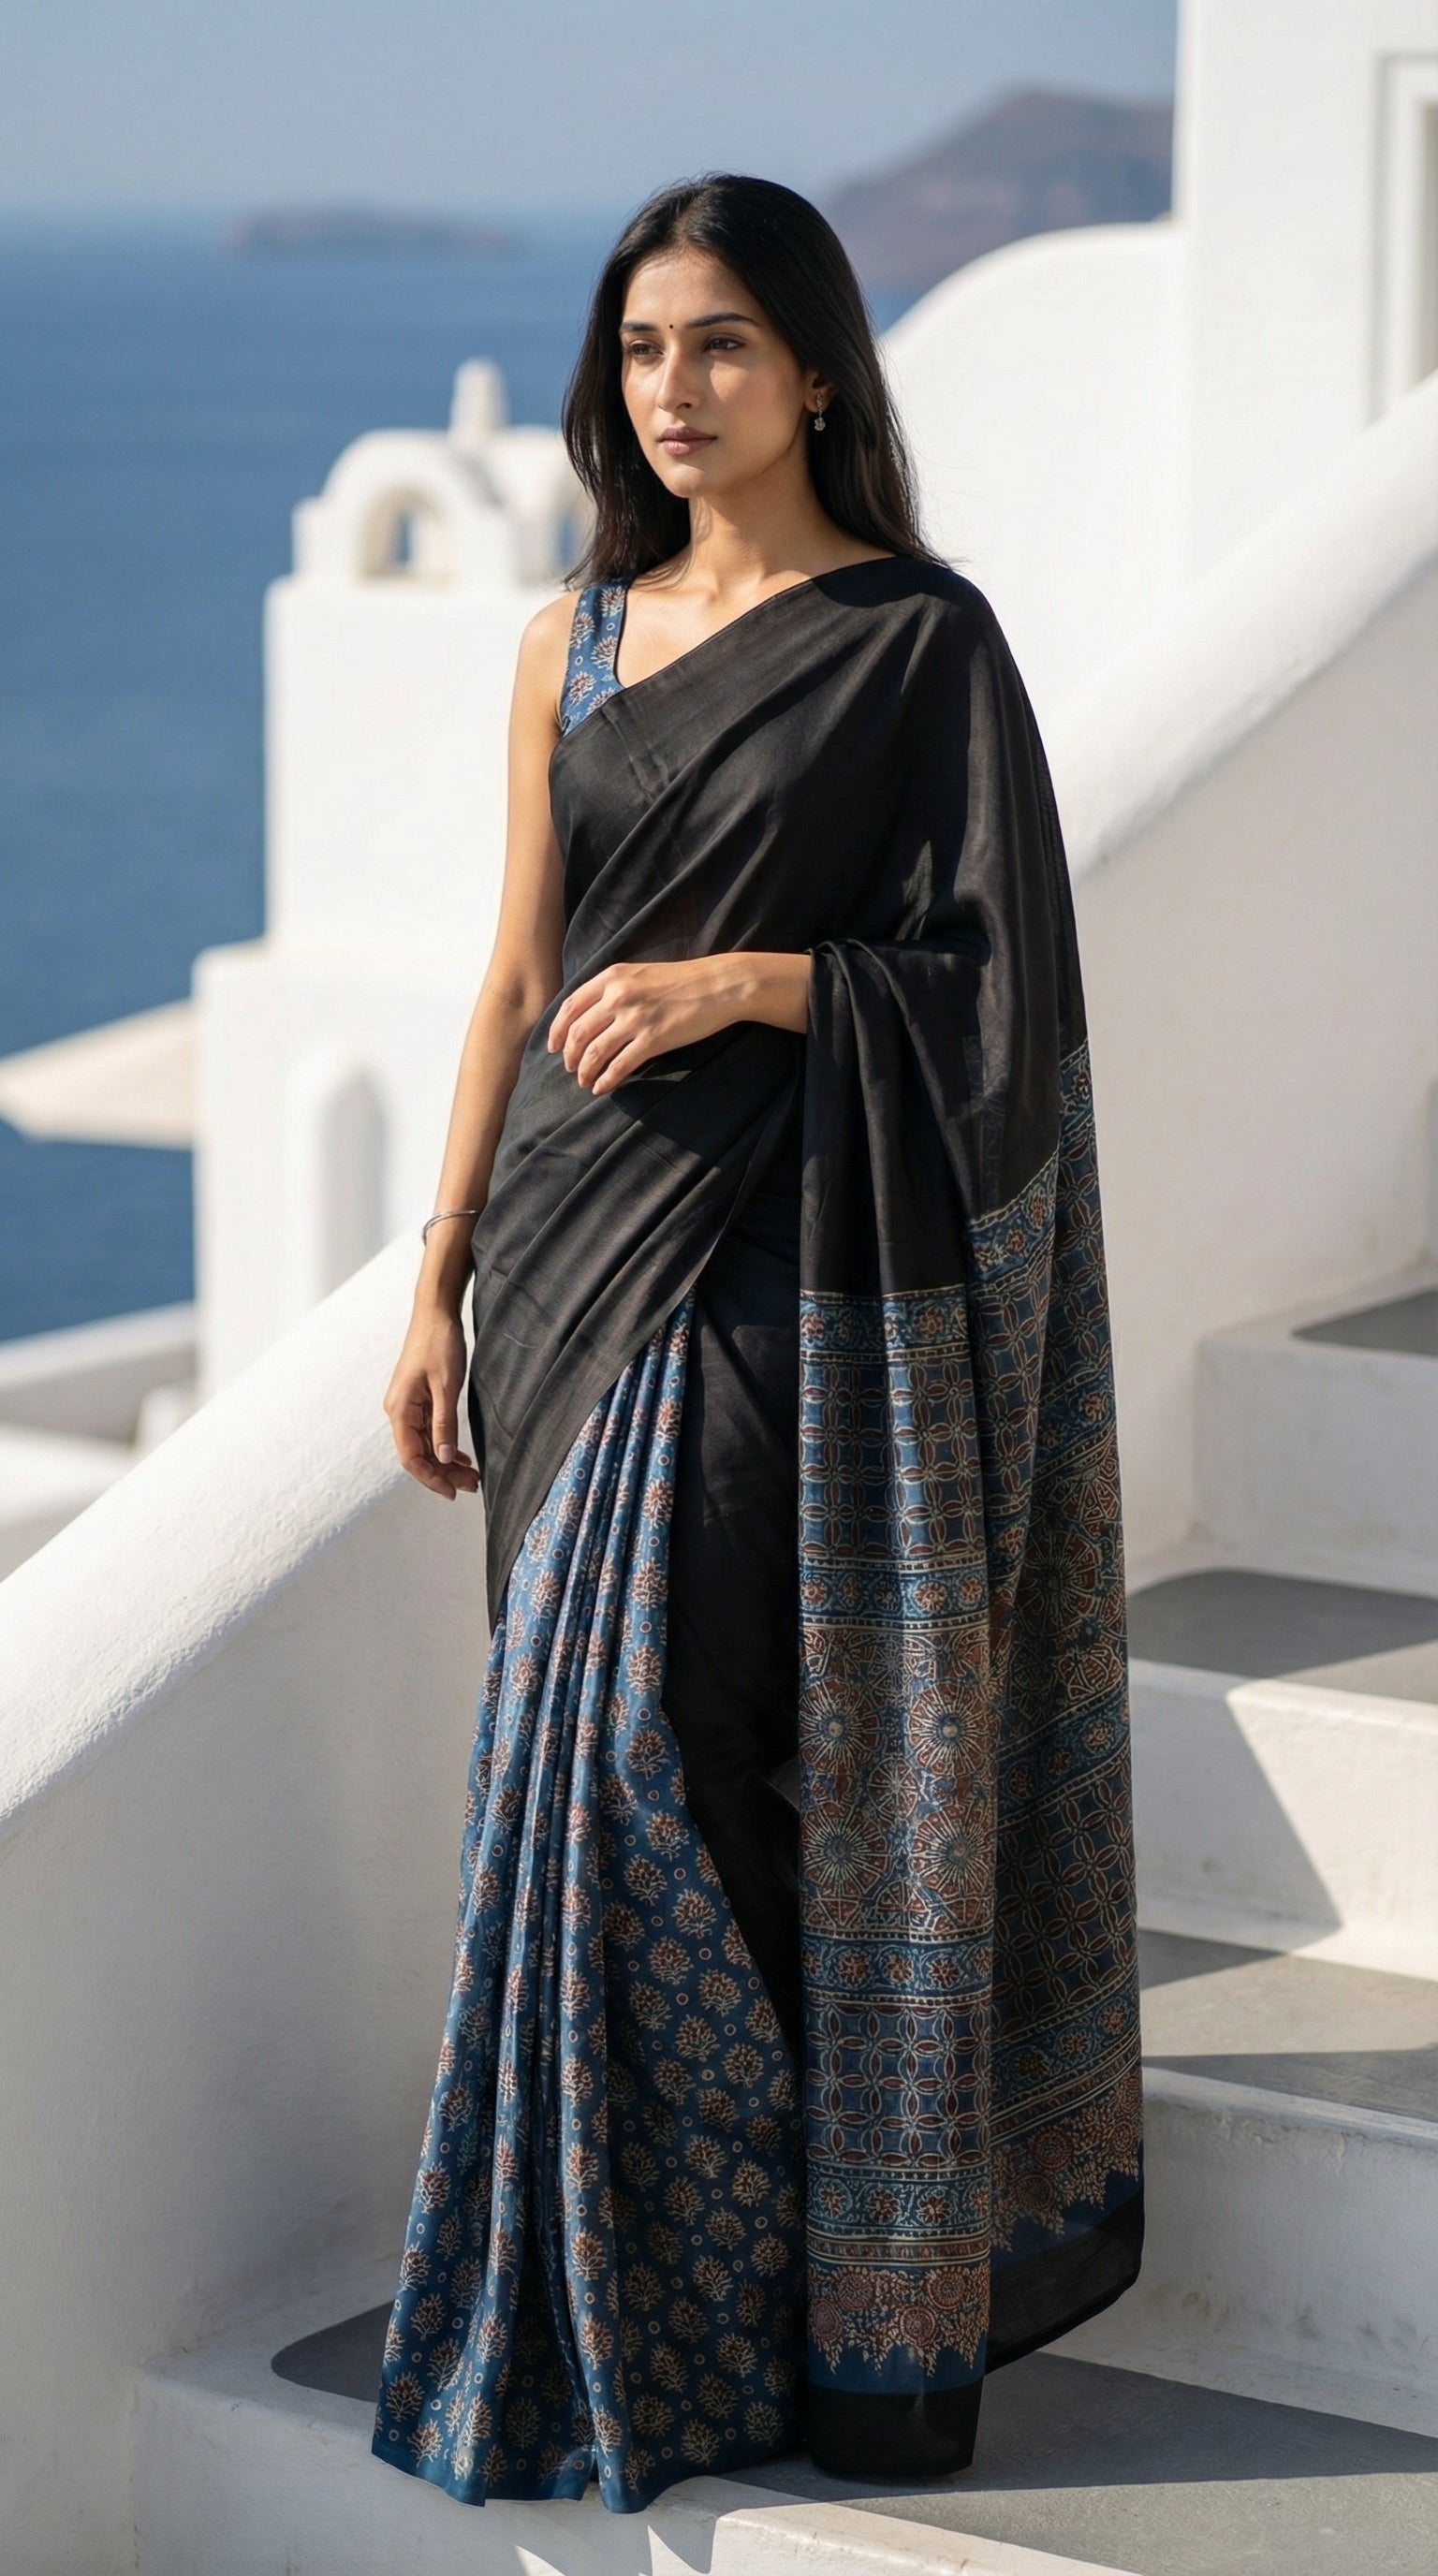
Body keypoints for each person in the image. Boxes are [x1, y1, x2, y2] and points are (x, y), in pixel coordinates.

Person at [372, 171, 1143, 2515]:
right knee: (561, 1748)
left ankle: (789, 2294)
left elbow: (1000, 999)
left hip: (790, 1262)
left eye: (720, 345)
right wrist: (435, 1264)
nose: (674, 392)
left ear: (817, 367)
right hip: (570, 1258)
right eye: (638, 350)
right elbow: (517, 969)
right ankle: (639, 2296)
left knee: (653, 1748)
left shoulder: (919, 644)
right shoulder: (574, 637)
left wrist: (755, 981)